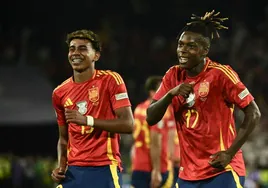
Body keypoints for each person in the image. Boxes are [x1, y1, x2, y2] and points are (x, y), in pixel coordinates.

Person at [146, 10, 261, 188]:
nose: (182, 51)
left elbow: (254, 113)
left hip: (222, 171)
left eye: (190, 46)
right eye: (180, 45)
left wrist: (230, 154)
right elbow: (151, 117)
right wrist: (170, 94)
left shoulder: (220, 74)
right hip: (188, 175)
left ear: (205, 50)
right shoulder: (172, 75)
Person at [51, 29, 134, 188]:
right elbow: (63, 139)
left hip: (104, 168)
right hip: (73, 172)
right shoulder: (59, 93)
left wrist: (87, 120)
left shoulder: (110, 80)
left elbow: (128, 124)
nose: (75, 52)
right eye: (72, 48)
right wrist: (61, 165)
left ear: (96, 55)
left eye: (83, 48)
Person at [131, 76, 175, 188]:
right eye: (161, 90)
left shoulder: (138, 109)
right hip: (157, 167)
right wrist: (156, 170)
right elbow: (155, 143)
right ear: (152, 93)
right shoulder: (156, 112)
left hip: (138, 165)